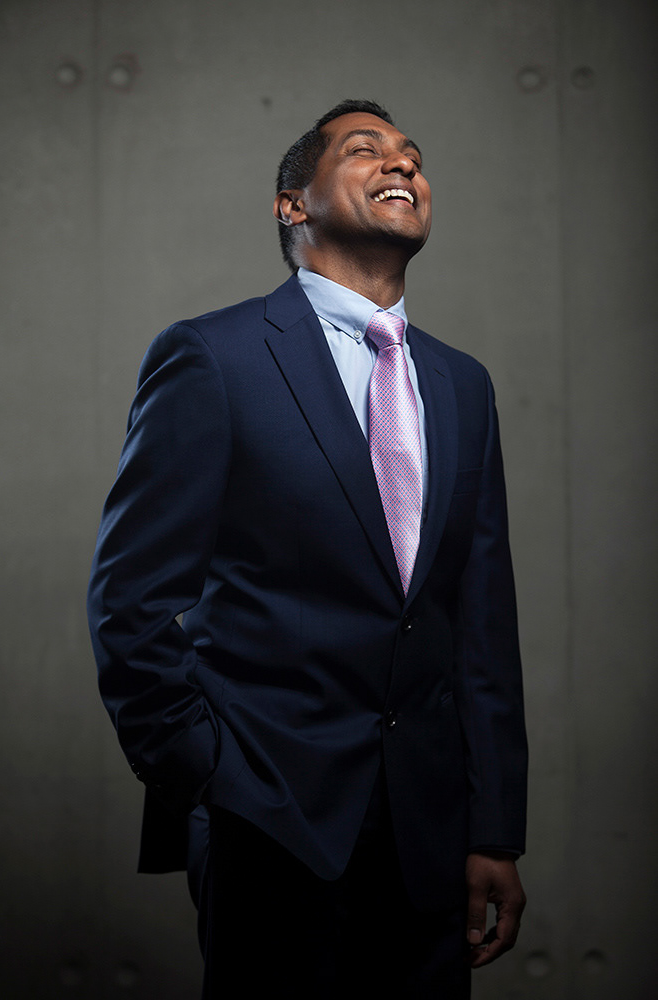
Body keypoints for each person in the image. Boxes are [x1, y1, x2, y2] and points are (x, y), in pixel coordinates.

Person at [87, 99, 528, 998]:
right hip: (266, 816)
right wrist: (211, 777)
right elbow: (129, 603)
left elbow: (480, 625)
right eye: (366, 151)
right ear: (292, 204)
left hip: (428, 834)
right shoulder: (214, 358)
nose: (402, 164)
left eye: (412, 155)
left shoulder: (462, 385)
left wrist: (493, 828)